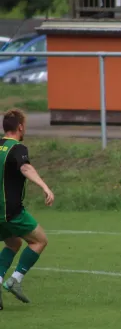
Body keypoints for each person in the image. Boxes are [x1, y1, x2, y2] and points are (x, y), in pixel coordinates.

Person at [0, 109, 54, 310]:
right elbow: (25, 168)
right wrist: (44, 186)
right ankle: (15, 279)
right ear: (20, 127)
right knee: (39, 240)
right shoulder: (17, 148)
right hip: (11, 211)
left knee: (13, 243)